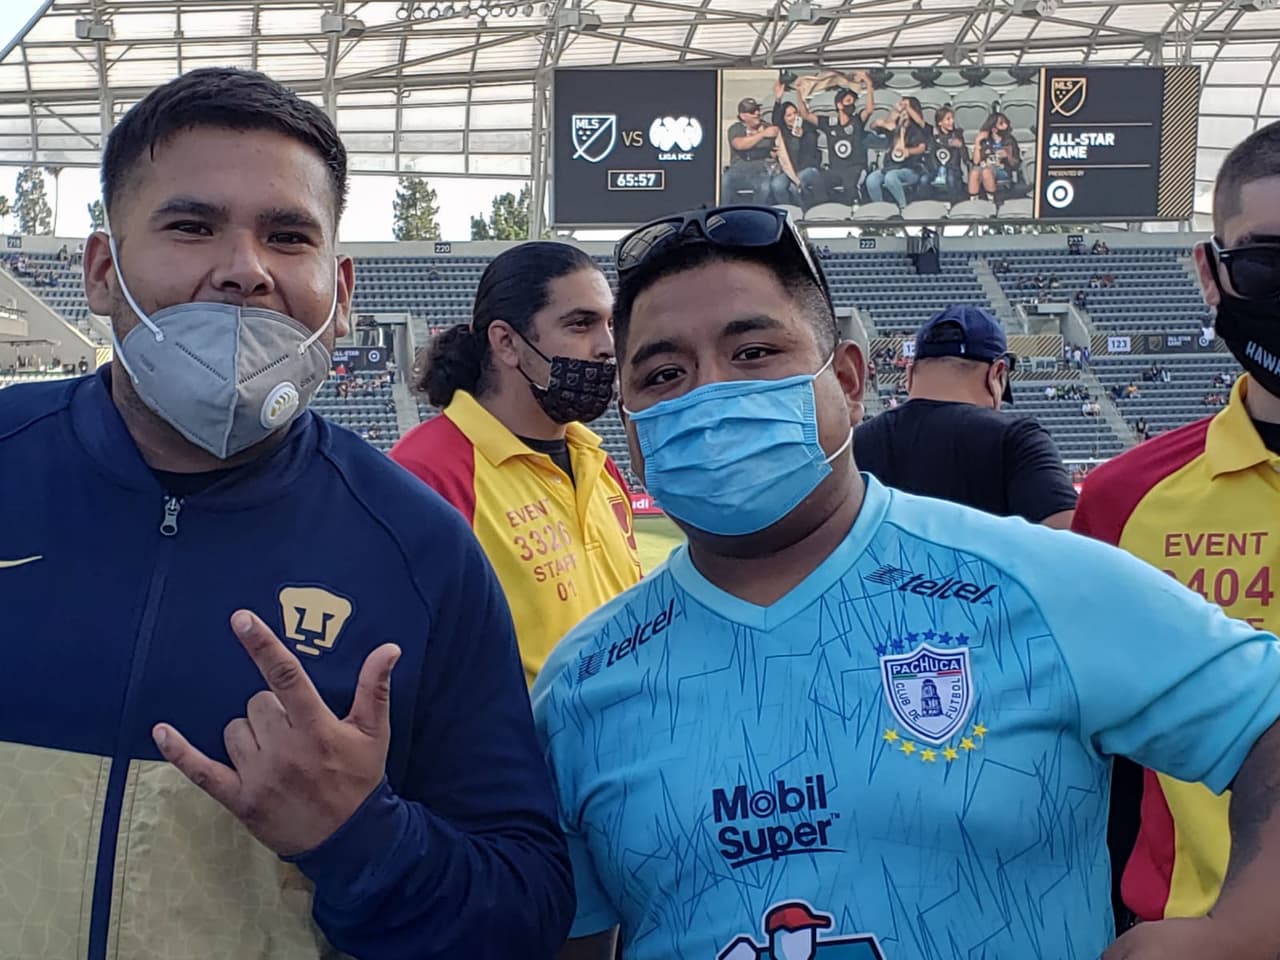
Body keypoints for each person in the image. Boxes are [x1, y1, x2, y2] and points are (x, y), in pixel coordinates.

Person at [533, 203, 1280, 960]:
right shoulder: (580, 688)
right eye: (664, 375)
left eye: (755, 352)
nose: (711, 396)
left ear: (849, 381)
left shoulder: (1037, 585)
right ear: (627, 422)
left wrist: (1246, 929)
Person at [0, 68, 572, 960]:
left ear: (341, 291)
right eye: (192, 226)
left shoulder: (422, 553)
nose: (244, 270)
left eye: (287, 235)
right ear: (103, 271)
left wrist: (361, 838)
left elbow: (525, 906)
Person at [1075, 120, 1280, 936]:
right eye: (1266, 264)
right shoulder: (1125, 500)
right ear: (1210, 273)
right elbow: (1097, 762)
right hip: (1194, 935)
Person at [392, 242, 642, 685]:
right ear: (506, 342)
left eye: (610, 324)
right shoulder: (424, 475)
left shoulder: (599, 464)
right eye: (581, 324)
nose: (607, 347)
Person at [854, 305, 1077, 527]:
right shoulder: (1017, 441)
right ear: (997, 373)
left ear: (909, 374)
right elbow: (1071, 542)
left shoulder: (854, 444)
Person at [782, 73, 883, 205]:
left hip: (855, 168)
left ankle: (855, 211)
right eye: (848, 101)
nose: (851, 104)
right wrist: (798, 92)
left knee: (849, 185)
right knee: (819, 183)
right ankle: (824, 211)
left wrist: (869, 84)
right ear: (839, 105)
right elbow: (805, 115)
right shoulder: (829, 122)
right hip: (835, 169)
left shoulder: (857, 121)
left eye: (853, 101)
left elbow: (869, 109)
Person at [722, 97, 789, 205]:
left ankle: (757, 214)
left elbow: (779, 149)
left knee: (764, 187)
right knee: (724, 180)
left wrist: (775, 154)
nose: (757, 113)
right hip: (739, 170)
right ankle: (722, 212)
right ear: (743, 116)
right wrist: (762, 135)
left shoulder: (768, 127)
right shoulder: (736, 128)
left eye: (758, 110)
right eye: (752, 111)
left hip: (761, 171)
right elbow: (739, 145)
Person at [866, 97, 929, 208]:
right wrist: (891, 114)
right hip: (890, 167)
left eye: (906, 107)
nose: (903, 110)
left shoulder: (917, 129)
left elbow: (921, 147)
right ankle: (880, 207)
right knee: (872, 179)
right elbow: (873, 126)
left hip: (910, 169)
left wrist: (908, 151)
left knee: (891, 177)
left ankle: (902, 206)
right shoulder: (894, 127)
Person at [769, 81, 824, 208]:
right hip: (790, 170)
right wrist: (778, 99)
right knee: (777, 185)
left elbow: (812, 145)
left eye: (795, 113)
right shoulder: (783, 132)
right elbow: (775, 120)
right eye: (789, 115)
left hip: (808, 169)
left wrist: (803, 134)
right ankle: (788, 209)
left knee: (795, 185)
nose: (793, 117)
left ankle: (804, 210)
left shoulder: (808, 128)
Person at [968, 111, 1022, 201]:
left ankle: (992, 200)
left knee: (986, 172)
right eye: (1001, 124)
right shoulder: (985, 141)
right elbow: (976, 162)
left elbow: (1015, 163)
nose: (1005, 126)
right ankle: (973, 201)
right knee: (974, 172)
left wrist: (1007, 155)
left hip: (1002, 170)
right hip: (985, 168)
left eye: (1005, 123)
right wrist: (977, 142)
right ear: (994, 129)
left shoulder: (1009, 140)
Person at [924, 105, 968, 202]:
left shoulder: (957, 135)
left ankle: (954, 203)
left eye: (952, 118)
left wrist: (961, 146)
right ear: (940, 122)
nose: (951, 121)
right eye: (948, 119)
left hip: (953, 169)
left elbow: (966, 158)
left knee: (951, 178)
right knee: (924, 180)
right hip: (936, 170)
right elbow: (930, 156)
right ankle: (927, 203)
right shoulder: (933, 138)